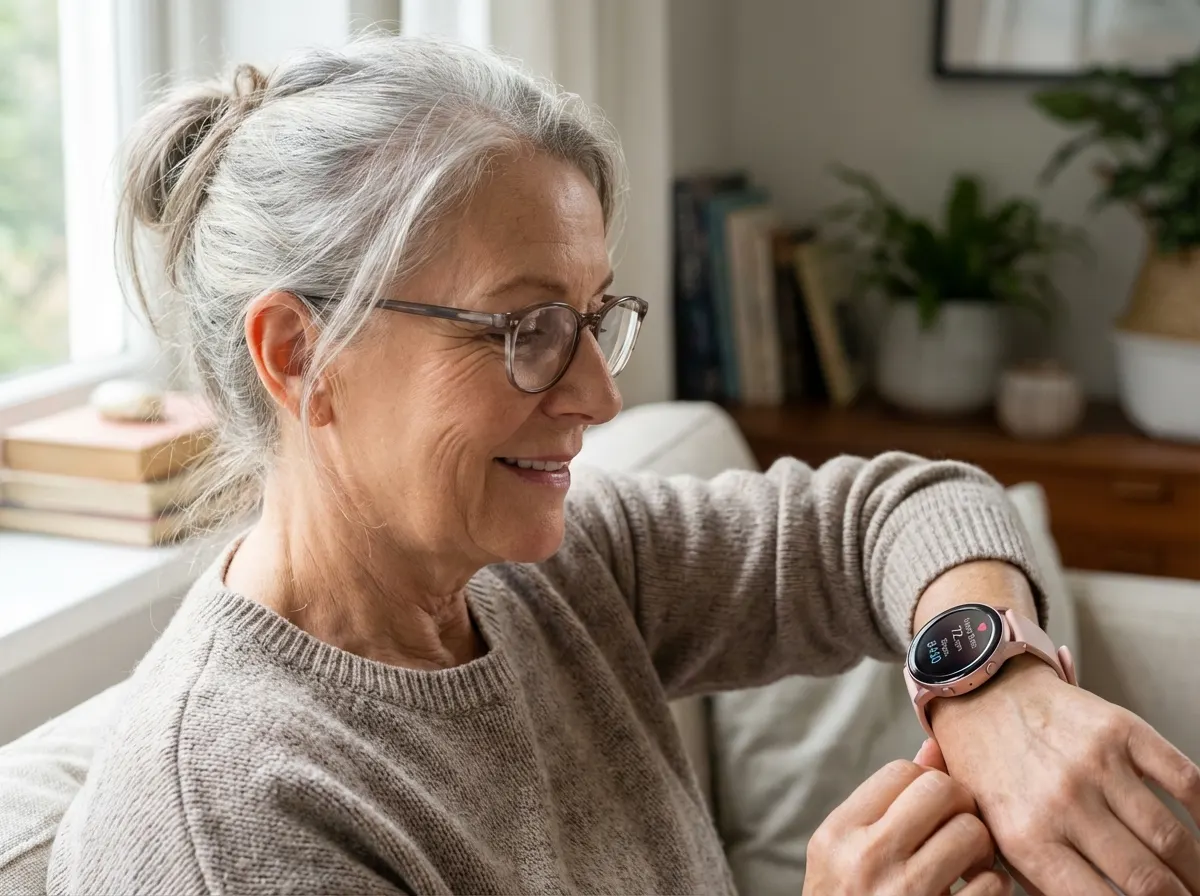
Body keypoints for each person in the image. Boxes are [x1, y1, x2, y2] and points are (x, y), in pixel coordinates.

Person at [48, 34, 1199, 896]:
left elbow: (900, 508)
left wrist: (987, 679)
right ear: (302, 355)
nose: (598, 393)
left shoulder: (554, 568)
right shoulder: (233, 824)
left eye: (596, 317)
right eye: (525, 328)